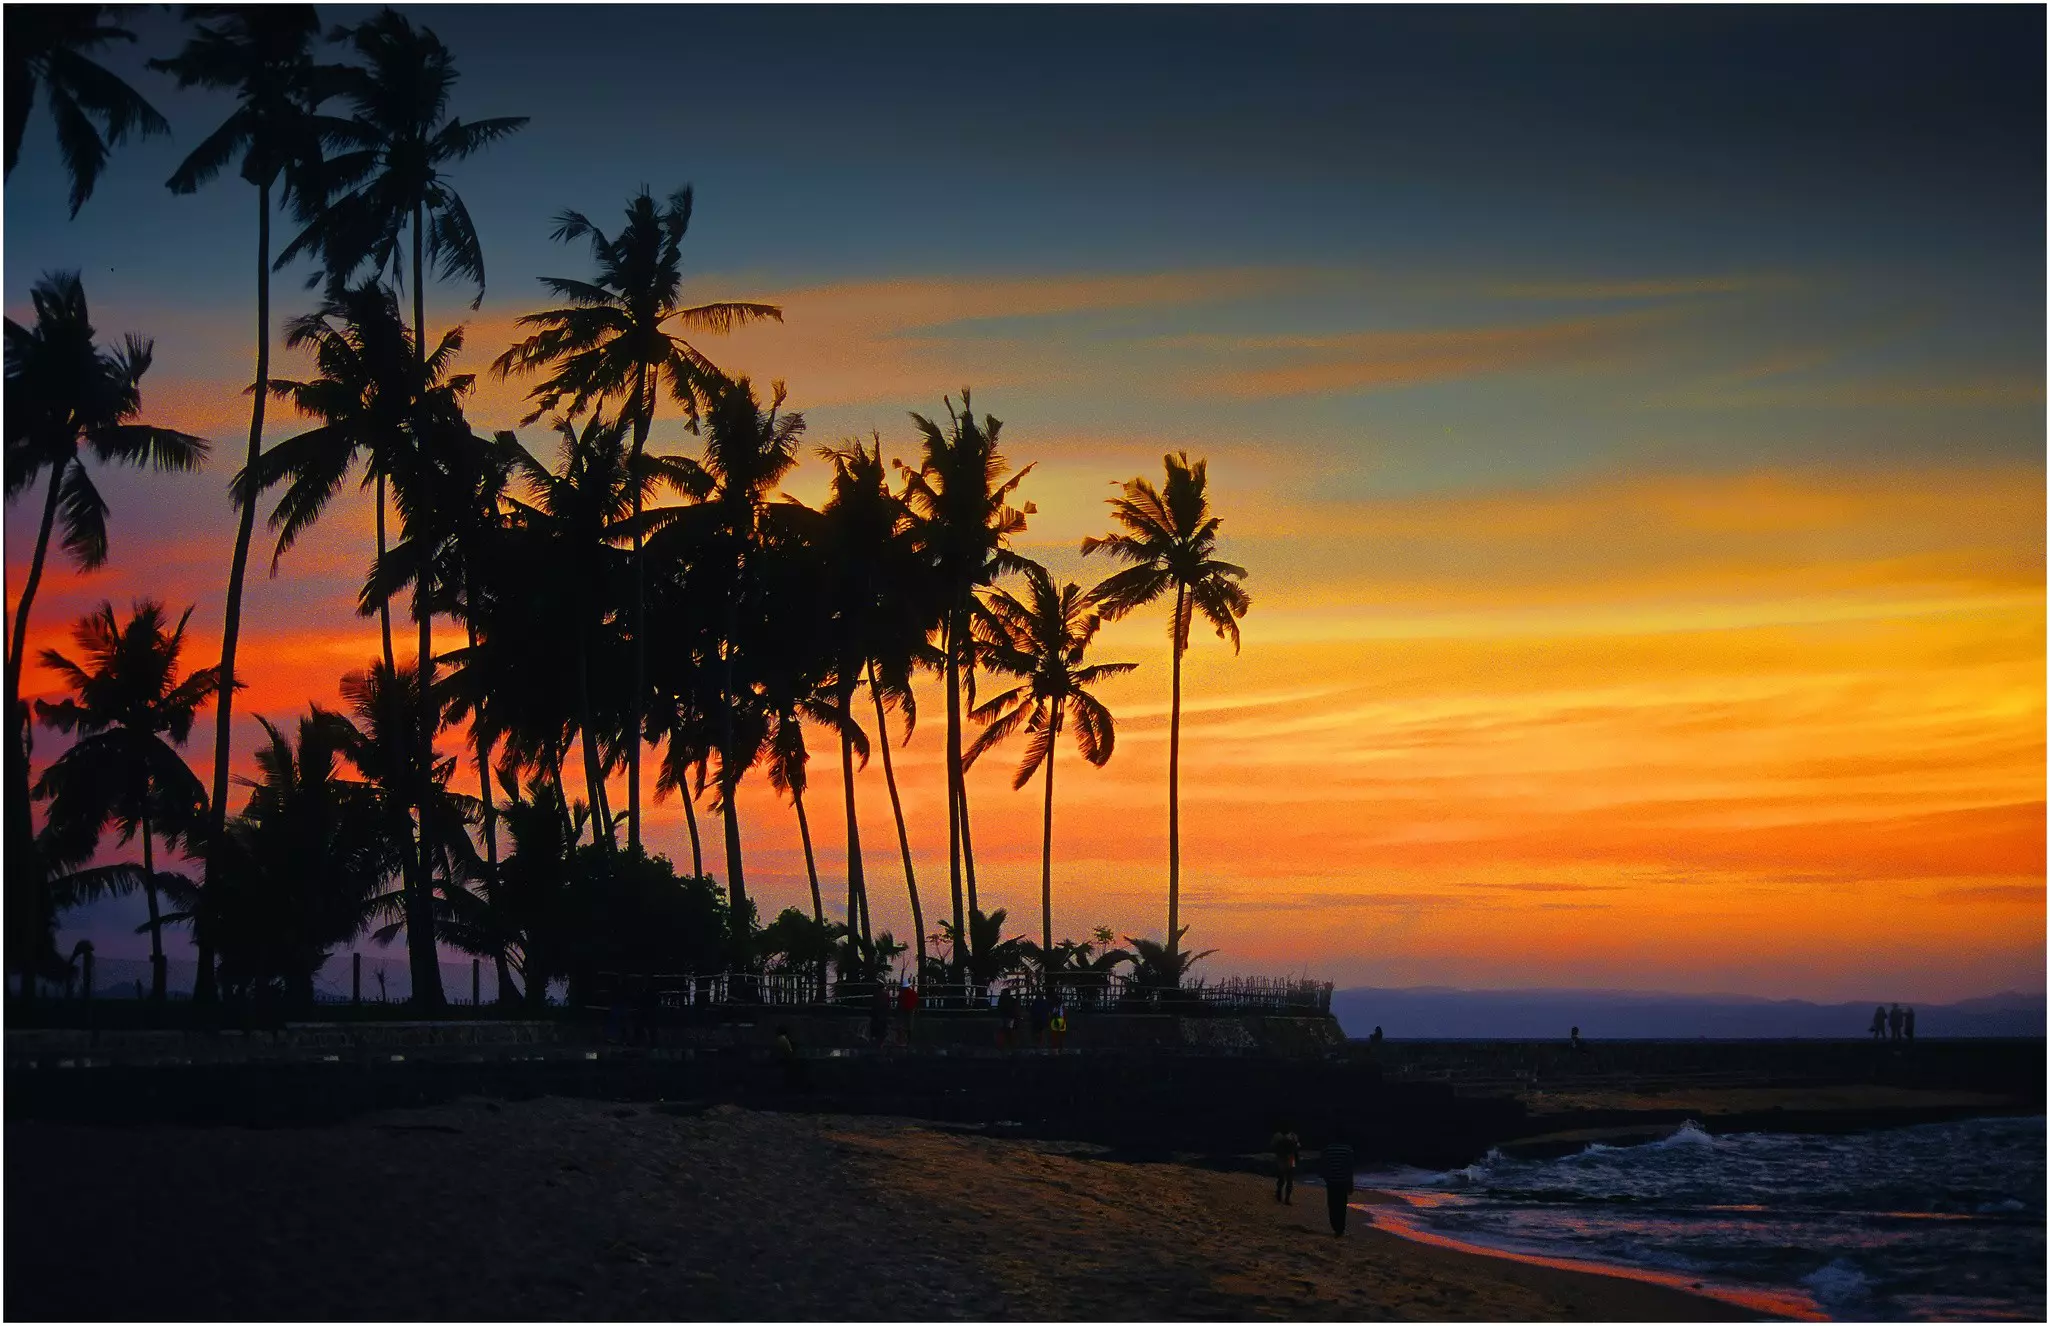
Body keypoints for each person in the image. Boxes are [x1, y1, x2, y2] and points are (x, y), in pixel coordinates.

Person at [1320, 1133, 1357, 1235]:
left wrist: (1325, 1177)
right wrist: (1350, 1184)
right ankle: (1340, 1228)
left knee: (1332, 1204)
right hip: (1343, 1181)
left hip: (1331, 1181)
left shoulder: (1328, 1149)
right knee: (1341, 1205)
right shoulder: (1348, 1150)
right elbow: (1350, 1168)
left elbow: (1323, 1164)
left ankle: (1335, 1226)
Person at [1271, 1124, 1300, 1204]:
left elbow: (1273, 1146)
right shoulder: (1293, 1136)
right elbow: (1297, 1148)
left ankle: (1280, 1193)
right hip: (1290, 1158)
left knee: (1282, 1178)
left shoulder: (1278, 1136)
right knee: (1289, 1179)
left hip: (1282, 1158)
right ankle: (1286, 1198)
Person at [896, 981, 919, 1046]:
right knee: (910, 1024)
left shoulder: (902, 993)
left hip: (903, 1009)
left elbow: (899, 1001)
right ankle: (909, 1039)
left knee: (902, 1024)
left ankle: (901, 1039)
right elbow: (916, 1000)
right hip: (911, 1009)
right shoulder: (913, 993)